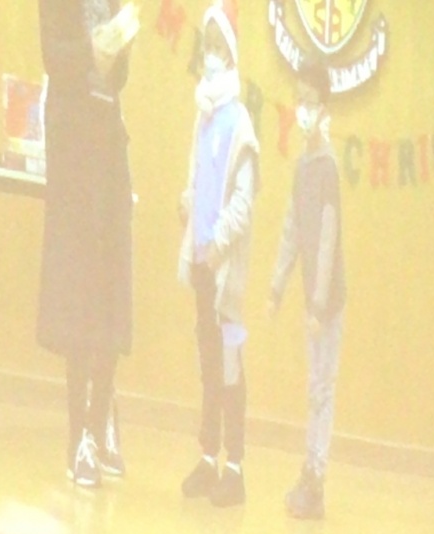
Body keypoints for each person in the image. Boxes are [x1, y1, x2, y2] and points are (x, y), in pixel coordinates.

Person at [37, 0, 139, 490]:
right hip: (72, 144)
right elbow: (52, 55)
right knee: (77, 295)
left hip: (109, 139)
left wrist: (118, 49)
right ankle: (79, 434)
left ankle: (103, 417)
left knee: (111, 286)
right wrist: (91, 52)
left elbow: (121, 78)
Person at [178, 5, 259, 507]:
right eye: (205, 46)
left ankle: (237, 465)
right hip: (201, 264)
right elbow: (197, 179)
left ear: (230, 54)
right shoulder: (203, 115)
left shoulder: (240, 122)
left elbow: (244, 202)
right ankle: (209, 456)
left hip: (223, 269)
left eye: (217, 47)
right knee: (208, 363)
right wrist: (187, 207)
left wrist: (217, 243)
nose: (210, 55)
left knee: (229, 367)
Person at [269, 60, 346, 520]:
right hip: (309, 300)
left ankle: (316, 478)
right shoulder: (302, 167)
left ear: (324, 108)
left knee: (322, 389)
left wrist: (318, 304)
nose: (303, 109)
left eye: (311, 102)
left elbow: (327, 238)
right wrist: (277, 284)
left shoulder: (328, 167)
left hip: (328, 302)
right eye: (299, 99)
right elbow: (293, 228)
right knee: (313, 387)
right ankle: (308, 471)